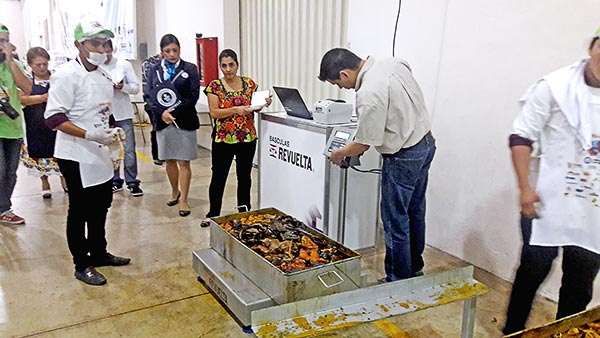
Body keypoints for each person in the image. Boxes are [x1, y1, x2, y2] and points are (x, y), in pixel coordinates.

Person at [502, 29, 600, 335]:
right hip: (545, 200)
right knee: (532, 271)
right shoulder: (555, 87)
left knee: (580, 282)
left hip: (592, 209)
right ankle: (513, 331)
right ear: (591, 46)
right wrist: (524, 188)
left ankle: (564, 333)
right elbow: (521, 136)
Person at [318, 48, 436, 281]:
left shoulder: (368, 93)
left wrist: (339, 152)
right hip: (425, 144)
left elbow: (363, 143)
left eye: (338, 84)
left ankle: (398, 278)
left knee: (394, 220)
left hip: (403, 155)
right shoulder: (393, 63)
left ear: (344, 73)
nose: (343, 89)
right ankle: (414, 266)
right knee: (414, 210)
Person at [44, 21, 130, 286]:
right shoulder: (66, 74)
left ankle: (99, 252)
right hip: (76, 153)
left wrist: (112, 131)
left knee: (102, 204)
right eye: (94, 43)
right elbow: (54, 118)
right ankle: (82, 263)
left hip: (100, 152)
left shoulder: (104, 74)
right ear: (78, 45)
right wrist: (90, 134)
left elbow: (104, 110)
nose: (101, 49)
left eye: (105, 44)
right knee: (80, 209)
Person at [203, 49, 271, 225]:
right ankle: (214, 214)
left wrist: (263, 104)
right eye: (224, 65)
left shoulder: (249, 84)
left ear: (237, 65)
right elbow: (214, 112)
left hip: (247, 138)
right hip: (223, 139)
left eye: (231, 65)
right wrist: (234, 110)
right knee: (219, 176)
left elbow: (254, 107)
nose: (228, 69)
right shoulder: (214, 86)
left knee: (244, 176)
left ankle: (244, 210)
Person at [147, 34, 199, 217]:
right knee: (169, 160)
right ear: (162, 52)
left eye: (174, 50)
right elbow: (149, 95)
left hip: (184, 120)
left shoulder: (190, 68)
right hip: (163, 121)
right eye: (167, 51)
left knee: (184, 161)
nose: (171, 54)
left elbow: (193, 95)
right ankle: (174, 191)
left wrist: (174, 112)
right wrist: (161, 113)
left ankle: (184, 199)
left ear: (179, 50)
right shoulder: (154, 70)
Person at [18, 47, 67, 199]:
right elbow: (21, 98)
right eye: (37, 65)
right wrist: (42, 98)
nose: (42, 68)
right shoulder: (25, 79)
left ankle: (64, 180)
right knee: (39, 151)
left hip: (56, 123)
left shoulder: (57, 78)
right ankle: (44, 182)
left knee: (59, 151)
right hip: (35, 122)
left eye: (44, 64)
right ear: (30, 64)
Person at [0, 23, 32, 225]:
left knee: (11, 172)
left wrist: (11, 62)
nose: (3, 45)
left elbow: (27, 88)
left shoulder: (14, 65)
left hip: (13, 127)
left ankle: (4, 208)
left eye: (6, 41)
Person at [102, 39, 143, 196]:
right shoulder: (95, 67)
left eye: (108, 50)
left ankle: (132, 181)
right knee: (110, 149)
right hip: (104, 114)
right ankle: (114, 180)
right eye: (102, 50)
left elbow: (135, 87)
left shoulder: (124, 64)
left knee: (129, 149)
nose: (105, 53)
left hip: (123, 112)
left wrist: (122, 87)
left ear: (113, 49)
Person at [141, 52, 163, 165]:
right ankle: (157, 155)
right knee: (156, 128)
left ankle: (166, 153)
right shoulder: (148, 64)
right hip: (151, 103)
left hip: (165, 102)